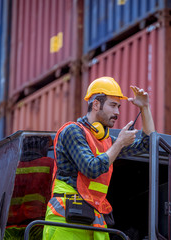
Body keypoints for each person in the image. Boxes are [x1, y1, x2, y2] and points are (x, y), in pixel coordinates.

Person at [43, 76, 155, 240]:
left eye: (118, 106)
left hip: (93, 221)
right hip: (66, 222)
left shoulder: (108, 142)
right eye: (112, 105)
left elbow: (149, 145)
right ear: (96, 104)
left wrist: (145, 108)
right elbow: (91, 168)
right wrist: (119, 144)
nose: (117, 112)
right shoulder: (72, 132)